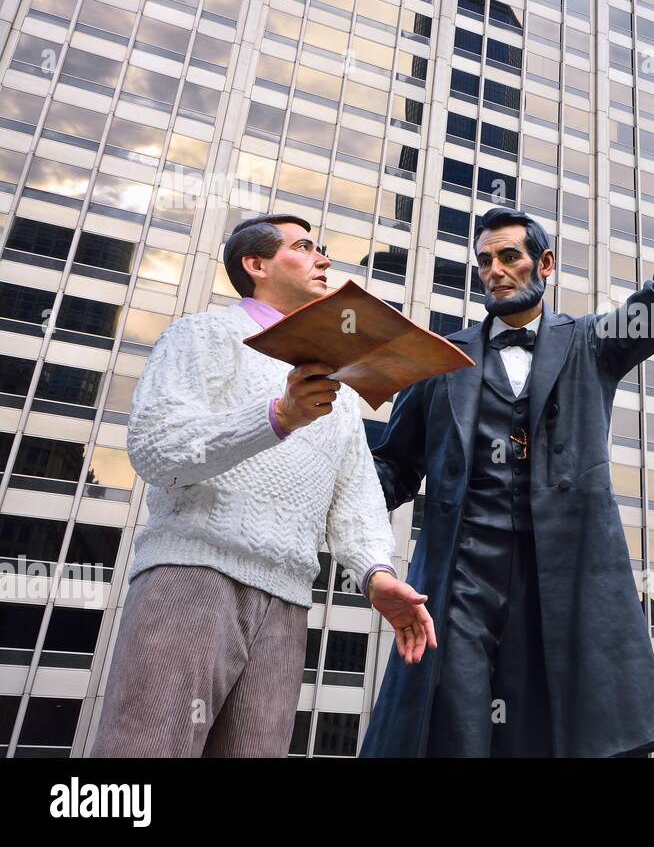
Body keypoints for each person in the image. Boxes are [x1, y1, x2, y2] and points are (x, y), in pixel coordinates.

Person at [361, 125, 654, 757]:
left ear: (543, 265)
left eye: (509, 257)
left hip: (562, 586)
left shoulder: (591, 343)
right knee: (453, 735)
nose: (495, 271)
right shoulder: (437, 361)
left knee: (554, 738)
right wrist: (325, 488)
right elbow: (393, 470)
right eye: (485, 261)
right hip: (459, 587)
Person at [90, 214, 435, 757]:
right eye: (305, 247)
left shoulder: (340, 393)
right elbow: (158, 450)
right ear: (256, 265)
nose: (324, 259)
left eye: (322, 249)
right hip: (192, 576)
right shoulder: (202, 334)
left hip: (288, 601)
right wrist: (277, 416)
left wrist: (377, 574)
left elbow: (357, 499)